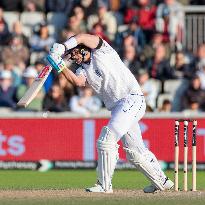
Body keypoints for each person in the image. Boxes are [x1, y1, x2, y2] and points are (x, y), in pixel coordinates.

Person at [47, 33, 174, 193]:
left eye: (74, 53)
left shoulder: (102, 50)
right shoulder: (83, 69)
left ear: (83, 49)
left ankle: (104, 185)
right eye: (71, 55)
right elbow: (77, 82)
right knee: (135, 152)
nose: (74, 57)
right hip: (118, 108)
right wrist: (60, 66)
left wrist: (64, 46)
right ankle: (162, 182)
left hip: (131, 99)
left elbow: (81, 37)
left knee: (106, 139)